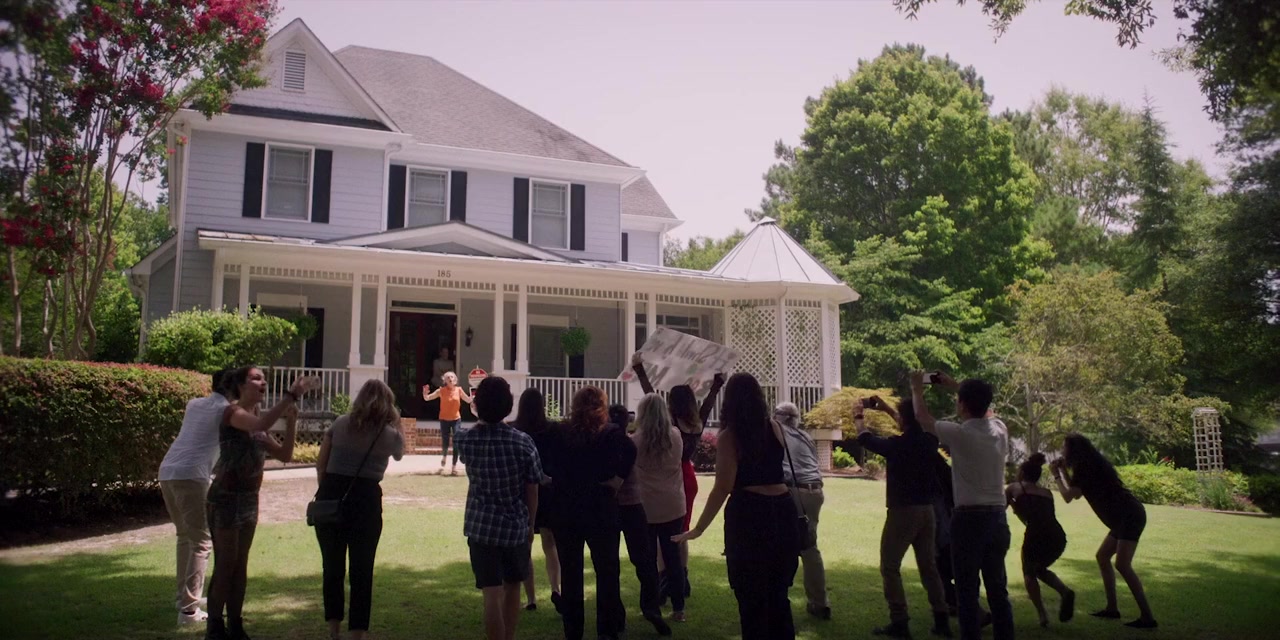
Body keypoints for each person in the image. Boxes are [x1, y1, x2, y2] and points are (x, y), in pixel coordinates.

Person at [674, 373, 800, 640]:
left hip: (750, 516)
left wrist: (699, 528)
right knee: (778, 596)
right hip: (783, 510)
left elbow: (723, 487)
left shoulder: (730, 437)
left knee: (751, 598)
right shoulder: (775, 427)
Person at [205, 366, 319, 640]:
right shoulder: (233, 413)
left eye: (263, 378)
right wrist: (291, 394)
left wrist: (291, 421)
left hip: (249, 500)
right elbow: (260, 425)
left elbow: (285, 455)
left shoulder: (256, 422)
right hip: (225, 498)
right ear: (241, 386)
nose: (263, 382)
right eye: (256, 378)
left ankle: (235, 625)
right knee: (226, 564)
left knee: (240, 564)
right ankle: (215, 628)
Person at [910, 371, 1013, 640]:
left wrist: (917, 388)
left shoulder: (959, 433)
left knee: (967, 591)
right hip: (998, 518)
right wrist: (958, 386)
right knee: (998, 590)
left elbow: (922, 418)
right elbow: (987, 409)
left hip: (969, 519)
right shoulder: (999, 430)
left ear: (963, 405)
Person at [314, 379, 406, 640]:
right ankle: (357, 632)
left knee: (332, 567)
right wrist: (397, 420)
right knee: (362, 569)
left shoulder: (340, 423)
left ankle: (333, 628)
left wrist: (327, 492)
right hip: (366, 499)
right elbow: (400, 453)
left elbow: (321, 464)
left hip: (332, 493)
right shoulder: (389, 435)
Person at [454, 376, 543, 640]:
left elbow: (470, 435)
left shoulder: (466, 440)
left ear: (478, 405)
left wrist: (479, 414)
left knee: (491, 594)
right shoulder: (523, 442)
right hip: (514, 527)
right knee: (513, 587)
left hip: (481, 527)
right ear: (508, 405)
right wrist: (531, 524)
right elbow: (532, 488)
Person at [543, 386, 635, 640]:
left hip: (567, 507)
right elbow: (631, 451)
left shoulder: (560, 432)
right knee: (607, 572)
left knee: (571, 573)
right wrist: (618, 479)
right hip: (600, 506)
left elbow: (547, 462)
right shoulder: (611, 433)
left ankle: (573, 631)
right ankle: (607, 630)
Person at [630, 352, 724, 599]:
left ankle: (666, 580)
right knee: (681, 531)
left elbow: (651, 396)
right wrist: (717, 383)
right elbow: (710, 401)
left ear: (671, 403)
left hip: (668, 474)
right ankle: (682, 577)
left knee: (662, 532)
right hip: (688, 475)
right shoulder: (697, 422)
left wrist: (640, 369)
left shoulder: (670, 423)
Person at [856, 396, 952, 638]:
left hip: (903, 512)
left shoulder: (896, 446)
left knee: (890, 566)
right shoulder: (930, 441)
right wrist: (887, 409)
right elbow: (909, 424)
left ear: (905, 419)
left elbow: (865, 438)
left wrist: (858, 416)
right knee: (929, 567)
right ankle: (941, 618)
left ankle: (899, 620)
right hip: (927, 511)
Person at [1052, 434, 1157, 629]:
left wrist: (1057, 475)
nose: (1062, 451)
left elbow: (1068, 496)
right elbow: (1076, 491)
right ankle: (1112, 608)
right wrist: (1064, 471)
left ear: (1073, 450)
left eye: (1064, 447)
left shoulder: (1085, 468)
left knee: (1123, 565)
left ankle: (1147, 617)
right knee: (1102, 557)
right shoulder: (1089, 464)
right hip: (1123, 516)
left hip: (1128, 516)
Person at [159, 368, 233, 625]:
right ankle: (189, 611)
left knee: (185, 536)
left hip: (168, 470)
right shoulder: (227, 411)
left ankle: (184, 598)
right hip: (192, 474)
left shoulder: (194, 404)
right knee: (202, 542)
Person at [610, 402, 671, 635]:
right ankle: (651, 606)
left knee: (609, 565)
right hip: (634, 505)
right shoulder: (629, 443)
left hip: (610, 508)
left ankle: (616, 617)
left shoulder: (608, 445)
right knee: (645, 561)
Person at [632, 394, 687, 627]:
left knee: (648, 559)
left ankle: (651, 604)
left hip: (646, 506)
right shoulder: (676, 436)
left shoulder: (636, 441)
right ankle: (679, 608)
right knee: (673, 558)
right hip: (673, 504)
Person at [775, 401, 832, 621]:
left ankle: (777, 598)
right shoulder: (805, 436)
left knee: (783, 546)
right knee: (809, 547)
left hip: (793, 491)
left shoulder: (777, 433)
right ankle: (819, 602)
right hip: (815, 491)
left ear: (778, 417)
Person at [1006, 453, 1074, 629]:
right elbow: (1040, 516)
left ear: (1022, 473)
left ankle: (1042, 614)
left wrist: (1013, 506)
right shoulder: (1047, 493)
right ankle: (1064, 591)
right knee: (1038, 569)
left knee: (1029, 574)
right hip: (1057, 536)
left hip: (1035, 536)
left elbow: (1003, 512)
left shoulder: (1014, 488)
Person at [511, 388, 561, 614]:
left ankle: (531, 598)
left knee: (526, 544)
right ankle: (556, 589)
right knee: (550, 543)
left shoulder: (515, 429)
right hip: (548, 490)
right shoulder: (552, 429)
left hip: (523, 491)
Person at [422, 371, 474, 476]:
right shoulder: (441, 391)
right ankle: (444, 456)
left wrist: (474, 396)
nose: (450, 379)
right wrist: (425, 393)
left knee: (456, 442)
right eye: (448, 377)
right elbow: (427, 398)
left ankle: (454, 467)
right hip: (444, 419)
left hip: (456, 419)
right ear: (445, 380)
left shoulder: (459, 390)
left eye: (452, 377)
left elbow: (468, 400)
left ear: (455, 380)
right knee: (445, 441)